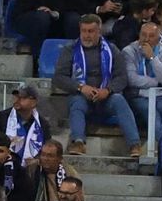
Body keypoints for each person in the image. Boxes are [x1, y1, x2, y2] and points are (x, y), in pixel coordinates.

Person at [51, 14, 143, 158]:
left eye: (91, 31)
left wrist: (108, 90)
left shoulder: (112, 50)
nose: (87, 35)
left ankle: (134, 144)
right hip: (81, 95)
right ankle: (78, 142)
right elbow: (58, 77)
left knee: (119, 100)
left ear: (99, 32)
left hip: (106, 97)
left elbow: (122, 77)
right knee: (77, 104)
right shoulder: (70, 50)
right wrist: (81, 87)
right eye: (84, 31)